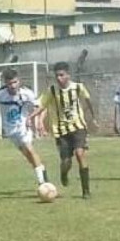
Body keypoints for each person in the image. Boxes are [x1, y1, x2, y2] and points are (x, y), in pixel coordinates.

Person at [0, 68, 49, 189]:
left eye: (15, 82)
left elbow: (42, 107)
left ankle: (43, 183)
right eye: (10, 83)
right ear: (5, 83)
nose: (13, 86)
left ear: (19, 81)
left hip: (23, 127)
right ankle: (43, 175)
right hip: (10, 131)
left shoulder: (27, 93)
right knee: (29, 157)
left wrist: (38, 121)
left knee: (30, 149)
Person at [31, 62, 96, 199]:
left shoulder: (78, 87)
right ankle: (64, 173)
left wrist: (93, 117)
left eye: (62, 75)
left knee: (80, 154)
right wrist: (32, 117)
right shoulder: (52, 91)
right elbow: (42, 105)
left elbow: (88, 100)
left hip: (78, 126)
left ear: (68, 75)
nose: (59, 78)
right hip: (61, 131)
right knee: (66, 162)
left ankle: (86, 191)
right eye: (57, 76)